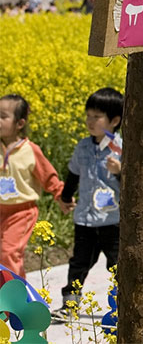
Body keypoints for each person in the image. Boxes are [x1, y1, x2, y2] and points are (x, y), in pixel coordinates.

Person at [53, 88, 124, 323]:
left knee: (117, 266)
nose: (90, 121)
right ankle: (69, 306)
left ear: (114, 121)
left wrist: (120, 172)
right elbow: (73, 174)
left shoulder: (122, 148)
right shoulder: (82, 146)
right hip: (84, 219)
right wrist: (65, 197)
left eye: (97, 116)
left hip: (112, 222)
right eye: (88, 115)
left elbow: (135, 187)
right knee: (78, 264)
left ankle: (124, 306)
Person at [0, 94, 64, 277]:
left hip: (22, 212)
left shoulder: (30, 150)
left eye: (3, 117)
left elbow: (47, 174)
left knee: (9, 252)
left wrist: (60, 194)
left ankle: (15, 300)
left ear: (19, 124)